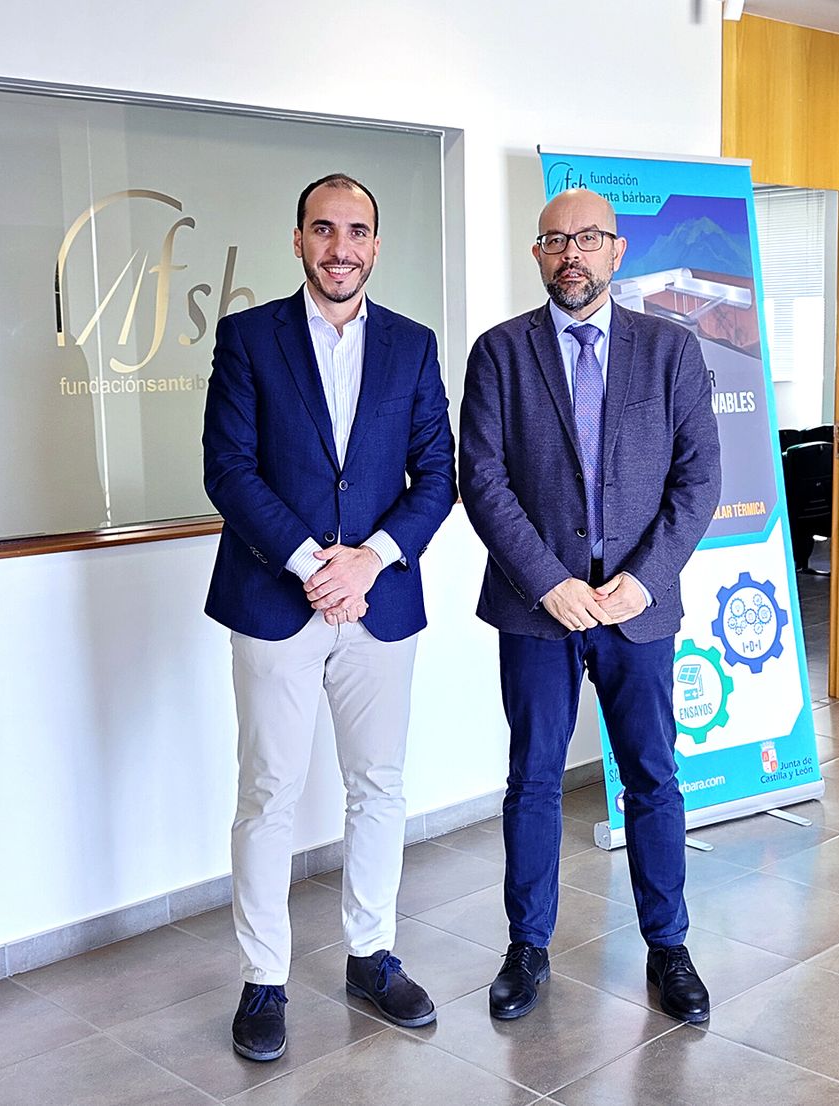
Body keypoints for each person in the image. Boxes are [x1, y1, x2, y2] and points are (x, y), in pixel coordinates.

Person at [202, 173, 457, 1061]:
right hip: (277, 598)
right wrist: (316, 564)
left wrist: (370, 560)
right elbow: (228, 470)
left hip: (380, 603)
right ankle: (264, 977)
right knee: (268, 791)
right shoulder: (247, 339)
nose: (340, 247)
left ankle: (370, 955)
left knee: (378, 785)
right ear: (299, 238)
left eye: (357, 232)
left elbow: (439, 474)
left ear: (376, 246)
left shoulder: (414, 346)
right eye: (324, 229)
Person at [459, 187, 722, 1024]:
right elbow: (484, 481)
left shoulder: (671, 351)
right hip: (538, 608)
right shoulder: (498, 354)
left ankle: (669, 947)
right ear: (536, 255)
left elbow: (699, 477)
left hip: (637, 609)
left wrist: (642, 579)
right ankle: (526, 948)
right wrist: (550, 581)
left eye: (588, 239)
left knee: (652, 777)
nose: (571, 253)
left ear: (617, 250)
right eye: (554, 241)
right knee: (532, 780)